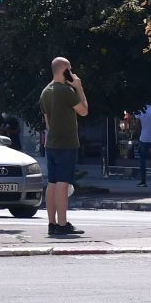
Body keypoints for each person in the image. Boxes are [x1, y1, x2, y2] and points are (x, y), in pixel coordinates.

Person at [40, 56, 88, 235]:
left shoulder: (45, 91)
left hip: (51, 144)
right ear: (65, 71)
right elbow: (84, 110)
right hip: (66, 143)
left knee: (52, 183)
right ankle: (62, 224)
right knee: (62, 184)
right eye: (70, 70)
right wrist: (79, 88)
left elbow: (48, 123)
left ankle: (52, 223)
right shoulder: (66, 91)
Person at [137, 105, 151, 187]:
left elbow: (138, 125)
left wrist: (139, 135)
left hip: (144, 138)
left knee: (142, 160)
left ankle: (143, 181)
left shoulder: (141, 110)